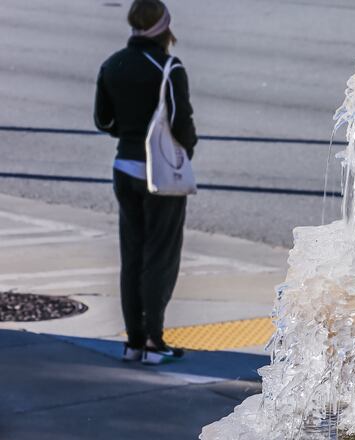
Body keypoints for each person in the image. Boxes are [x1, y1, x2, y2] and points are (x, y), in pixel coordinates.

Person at [93, 0, 197, 364]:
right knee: (160, 257)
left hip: (124, 168)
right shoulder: (170, 67)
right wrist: (187, 153)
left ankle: (134, 342)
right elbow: (182, 123)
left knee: (132, 255)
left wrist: (130, 130)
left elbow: (103, 122)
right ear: (165, 27)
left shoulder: (112, 64)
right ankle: (155, 341)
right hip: (161, 174)